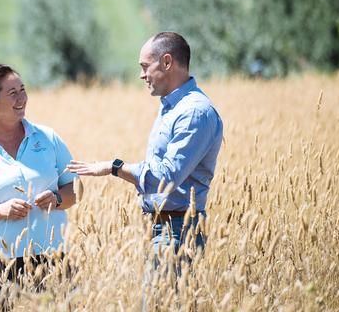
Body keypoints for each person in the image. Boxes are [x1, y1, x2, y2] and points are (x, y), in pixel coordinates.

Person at [67, 31, 223, 263]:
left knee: (165, 300)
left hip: (178, 230)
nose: (142, 75)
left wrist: (114, 167)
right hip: (166, 227)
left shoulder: (193, 112)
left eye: (145, 66)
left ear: (167, 62)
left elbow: (166, 178)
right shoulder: (172, 107)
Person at [0, 61, 76, 305]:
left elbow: (73, 190)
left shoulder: (49, 138)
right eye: (12, 93)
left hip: (51, 257)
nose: (22, 98)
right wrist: (0, 211)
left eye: (23, 89)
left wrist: (58, 199)